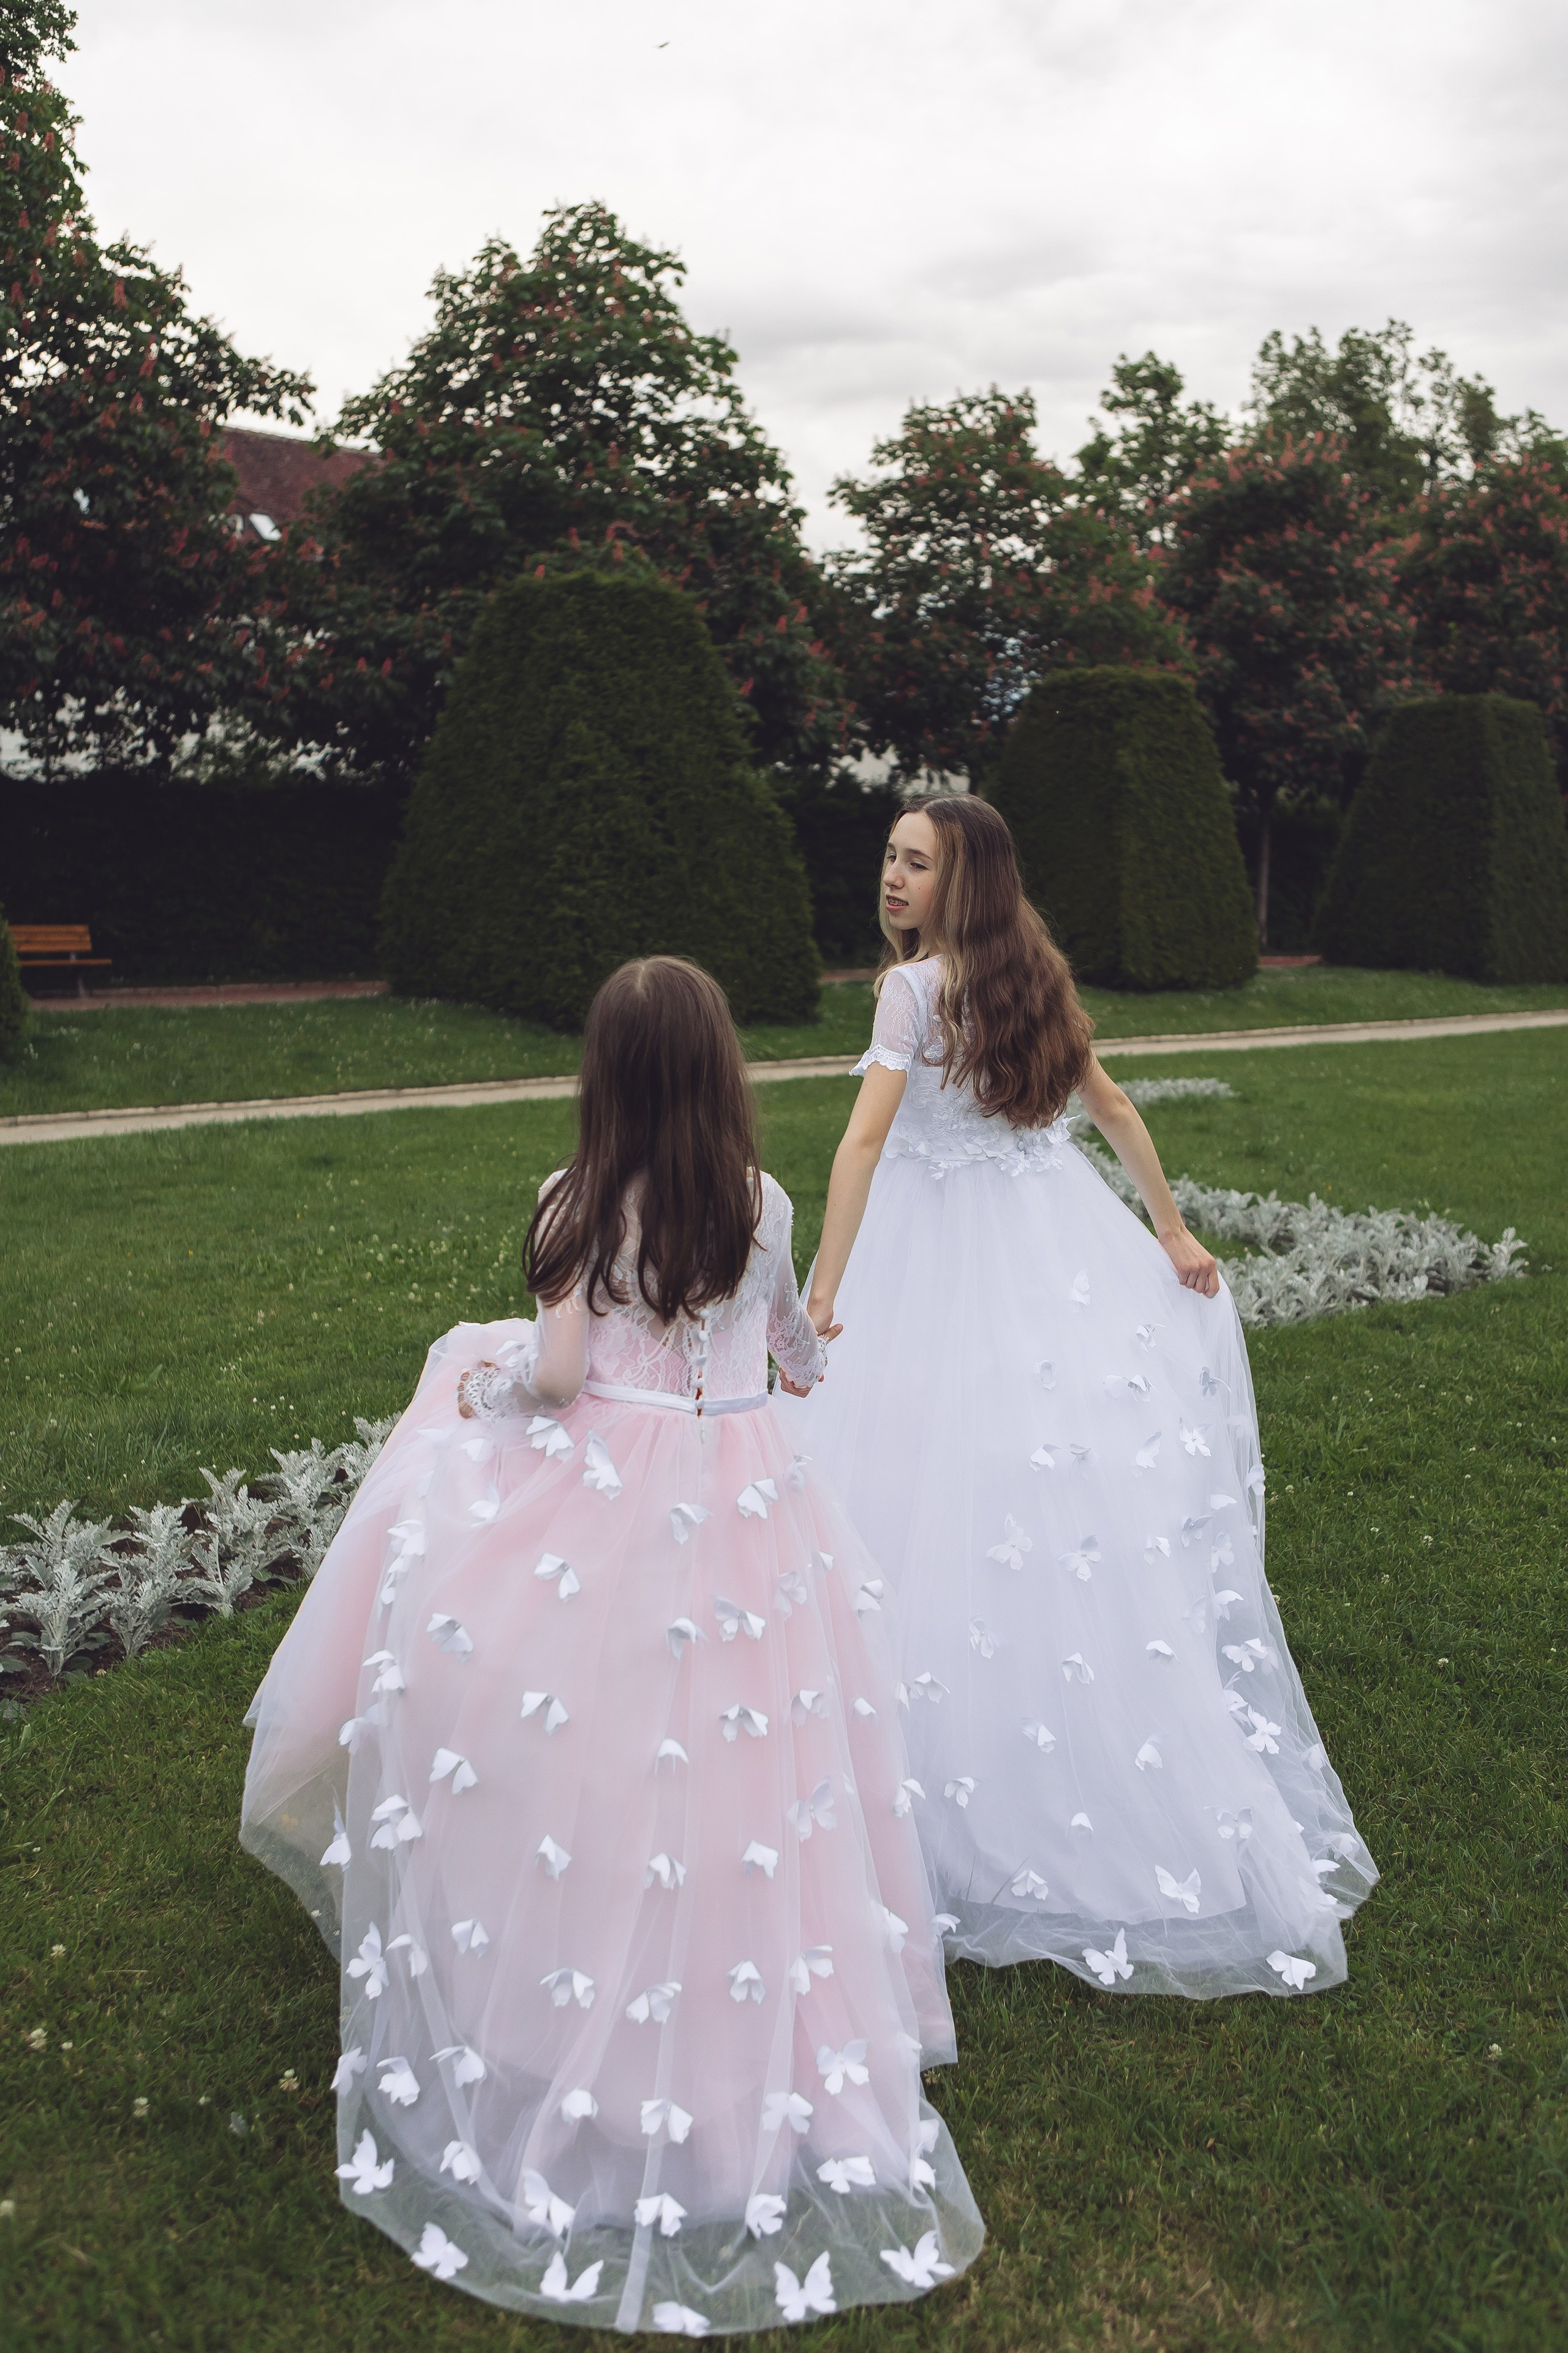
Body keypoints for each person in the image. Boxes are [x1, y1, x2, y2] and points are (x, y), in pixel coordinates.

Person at [239, 956, 982, 2335]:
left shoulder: (575, 1202)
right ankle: (744, 2031)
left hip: (618, 1495)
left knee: (592, 1736)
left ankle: (561, 2019)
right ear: (715, 1068)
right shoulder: (757, 1203)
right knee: (753, 1752)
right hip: (747, 1495)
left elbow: (565, 1376)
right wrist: (797, 1345)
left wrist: (484, 1384)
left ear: (604, 1073)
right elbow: (796, 1360)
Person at [776, 798, 1377, 1999]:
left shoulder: (909, 995)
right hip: (1043, 1237)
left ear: (961, 882)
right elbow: (1107, 1107)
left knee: (916, 1469)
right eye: (889, 857)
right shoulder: (1029, 975)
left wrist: (820, 1288)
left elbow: (857, 1148)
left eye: (914, 862)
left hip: (930, 1249)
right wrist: (1165, 1226)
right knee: (1038, 1467)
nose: (890, 877)